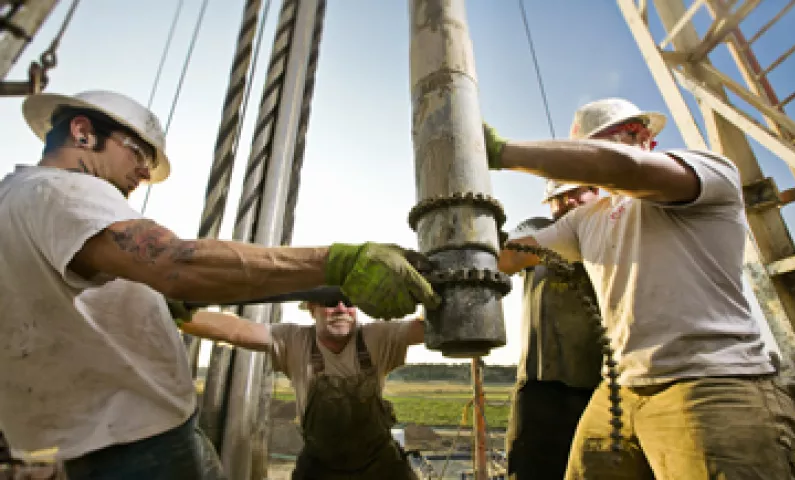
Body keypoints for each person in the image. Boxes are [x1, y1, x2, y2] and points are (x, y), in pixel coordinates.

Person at [0, 90, 440, 480]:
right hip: (138, 442)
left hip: (79, 439)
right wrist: (337, 263)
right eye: (139, 154)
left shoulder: (15, 200)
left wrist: (159, 305)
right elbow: (175, 263)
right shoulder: (62, 191)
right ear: (83, 133)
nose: (142, 173)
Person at [484, 97, 795, 479]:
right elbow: (514, 256)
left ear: (640, 135)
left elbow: (624, 167)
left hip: (710, 384)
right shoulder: (587, 220)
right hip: (620, 391)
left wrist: (503, 152)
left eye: (592, 148)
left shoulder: (707, 172)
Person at [173, 289, 422, 480]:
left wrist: (427, 294)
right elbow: (236, 330)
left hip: (380, 464)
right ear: (312, 308)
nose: (340, 308)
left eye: (348, 301)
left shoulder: (377, 337)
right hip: (320, 465)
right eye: (330, 301)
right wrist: (173, 312)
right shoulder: (294, 340)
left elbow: (423, 329)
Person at [501, 180, 603, 480]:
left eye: (579, 193)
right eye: (562, 197)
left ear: (596, 192)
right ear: (550, 203)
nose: (571, 202)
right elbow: (513, 249)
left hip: (603, 385)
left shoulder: (611, 233)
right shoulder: (538, 229)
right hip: (541, 384)